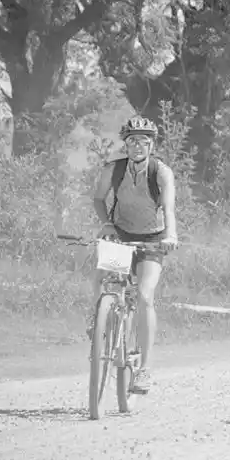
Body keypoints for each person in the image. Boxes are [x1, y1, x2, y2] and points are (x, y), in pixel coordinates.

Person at [90, 117, 179, 394]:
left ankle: (144, 370)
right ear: (125, 144)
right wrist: (106, 224)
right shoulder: (113, 170)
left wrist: (170, 236)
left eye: (143, 140)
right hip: (120, 233)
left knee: (144, 296)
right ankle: (97, 322)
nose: (137, 145)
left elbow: (169, 208)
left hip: (152, 238)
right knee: (104, 279)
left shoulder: (161, 172)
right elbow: (98, 198)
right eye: (132, 140)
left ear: (152, 144)